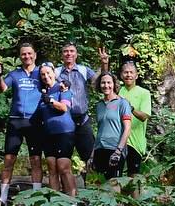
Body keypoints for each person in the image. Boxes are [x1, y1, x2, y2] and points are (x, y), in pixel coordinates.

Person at [0, 41, 44, 206]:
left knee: (36, 160)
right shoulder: (15, 74)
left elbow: (54, 84)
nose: (27, 56)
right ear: (20, 56)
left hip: (35, 121)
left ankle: (37, 197)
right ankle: (3, 198)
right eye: (23, 54)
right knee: (9, 159)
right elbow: (2, 89)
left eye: (29, 53)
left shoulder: (41, 72)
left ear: (35, 55)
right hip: (15, 120)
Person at [56, 42, 109, 178]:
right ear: (62, 54)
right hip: (63, 121)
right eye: (66, 51)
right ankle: (64, 195)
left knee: (91, 159)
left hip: (82, 121)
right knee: (62, 159)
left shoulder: (83, 70)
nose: (69, 54)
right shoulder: (56, 72)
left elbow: (100, 82)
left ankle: (91, 192)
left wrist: (104, 64)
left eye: (72, 51)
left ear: (76, 54)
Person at [37, 62, 77, 196]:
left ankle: (72, 203)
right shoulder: (42, 91)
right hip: (48, 134)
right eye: (43, 74)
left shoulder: (62, 88)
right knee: (51, 166)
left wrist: (51, 101)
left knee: (63, 166)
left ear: (54, 73)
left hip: (64, 132)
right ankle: (55, 203)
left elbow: (64, 108)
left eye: (48, 73)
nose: (46, 76)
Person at [90, 71, 133, 184]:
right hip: (100, 149)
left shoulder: (122, 103)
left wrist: (118, 151)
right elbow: (99, 130)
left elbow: (127, 128)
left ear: (114, 84)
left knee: (114, 186)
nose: (106, 85)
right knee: (99, 186)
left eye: (109, 82)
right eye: (103, 83)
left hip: (114, 149)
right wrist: (92, 154)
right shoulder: (99, 105)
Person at [117, 59, 152, 177]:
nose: (128, 75)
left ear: (136, 75)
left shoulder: (144, 93)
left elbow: (144, 116)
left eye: (131, 72)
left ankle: (137, 196)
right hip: (118, 140)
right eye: (126, 72)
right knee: (115, 177)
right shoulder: (118, 91)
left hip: (135, 142)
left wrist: (130, 108)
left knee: (134, 178)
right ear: (121, 75)